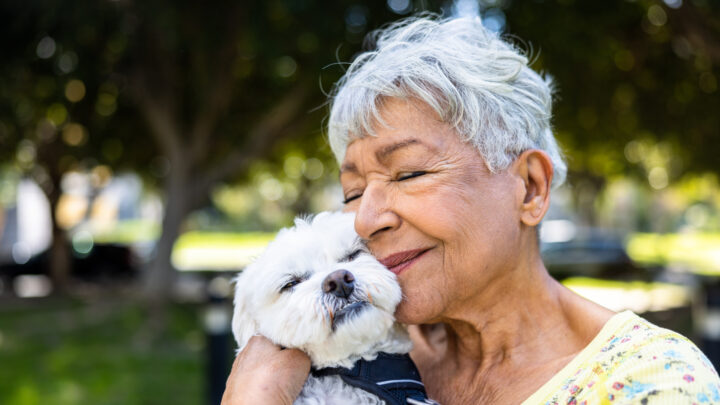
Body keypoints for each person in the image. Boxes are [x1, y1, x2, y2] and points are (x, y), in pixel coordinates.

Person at [223, 16, 720, 404]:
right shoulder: (349, 348)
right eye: (353, 192)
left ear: (529, 188)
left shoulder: (650, 385)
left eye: (410, 173)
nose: (368, 218)